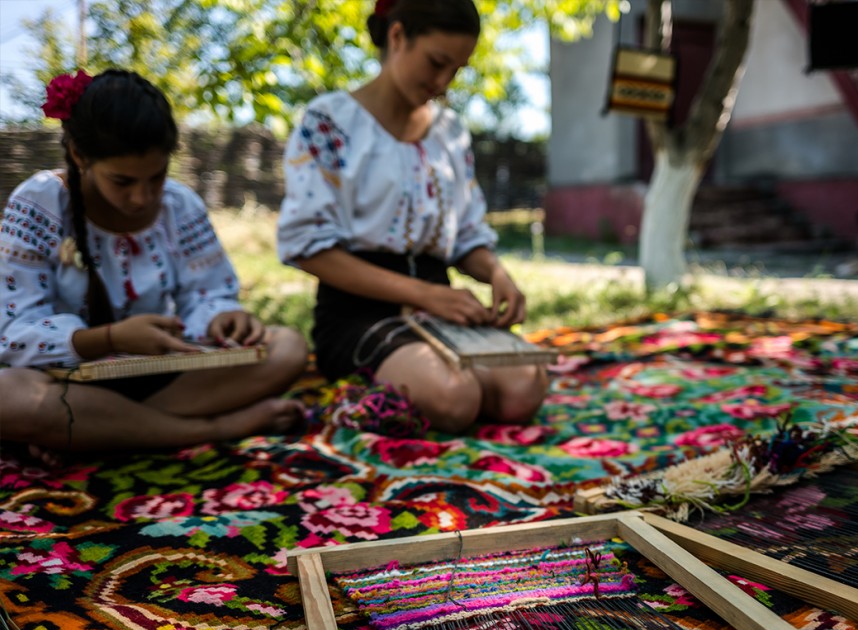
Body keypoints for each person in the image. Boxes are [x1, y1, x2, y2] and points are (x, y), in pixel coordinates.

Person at [0, 69, 309, 456]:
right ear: (80, 156)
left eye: (157, 178)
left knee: (288, 347)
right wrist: (110, 339)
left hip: (164, 379)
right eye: (122, 182)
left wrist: (221, 317)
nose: (142, 198)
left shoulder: (180, 206)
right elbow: (13, 335)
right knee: (6, 397)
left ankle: (89, 431)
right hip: (62, 382)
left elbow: (209, 293)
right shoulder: (39, 203)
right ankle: (214, 427)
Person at [277, 0, 548, 434]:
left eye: (456, 71)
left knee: (523, 390)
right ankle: (362, 395)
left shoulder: (450, 132)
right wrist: (424, 294)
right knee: (454, 398)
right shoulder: (330, 122)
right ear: (398, 37)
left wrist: (496, 273)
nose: (442, 84)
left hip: (439, 306)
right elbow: (307, 248)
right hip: (357, 311)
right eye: (436, 63)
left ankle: (418, 381)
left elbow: (467, 238)